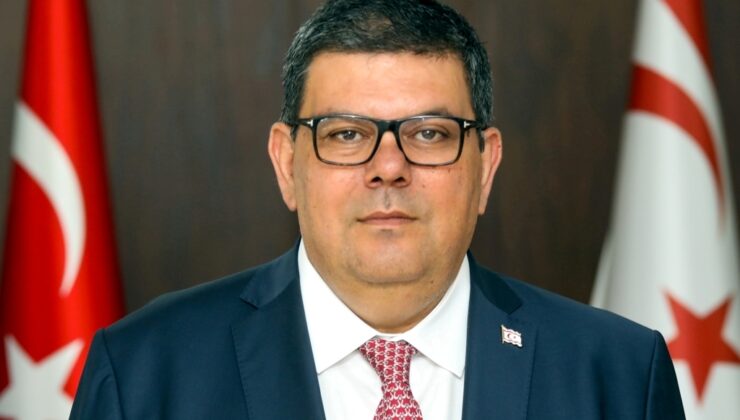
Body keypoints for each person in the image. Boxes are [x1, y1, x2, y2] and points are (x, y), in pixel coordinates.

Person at [70, 0, 685, 419]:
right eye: (345, 134)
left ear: (485, 167)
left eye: (429, 133)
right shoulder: (145, 375)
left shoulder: (618, 377)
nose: (388, 166)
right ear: (286, 163)